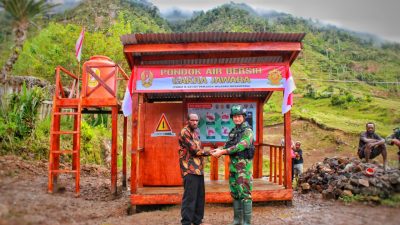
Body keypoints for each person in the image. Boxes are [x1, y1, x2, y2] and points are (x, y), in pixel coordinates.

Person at [212, 105, 254, 225]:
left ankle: (246, 222)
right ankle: (237, 221)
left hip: (244, 169)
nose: (237, 119)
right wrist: (218, 150)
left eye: (239, 116)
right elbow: (227, 146)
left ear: (244, 117)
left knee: (245, 194)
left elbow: (241, 145)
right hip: (233, 168)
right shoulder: (233, 131)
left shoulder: (248, 131)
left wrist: (223, 152)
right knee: (235, 194)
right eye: (235, 117)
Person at [179, 113, 213, 225]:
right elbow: (194, 150)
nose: (195, 122)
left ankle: (197, 220)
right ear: (187, 120)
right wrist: (210, 153)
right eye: (192, 120)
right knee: (190, 197)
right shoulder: (185, 132)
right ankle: (186, 222)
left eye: (196, 120)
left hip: (198, 170)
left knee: (199, 196)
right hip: (189, 169)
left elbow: (198, 149)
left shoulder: (195, 133)